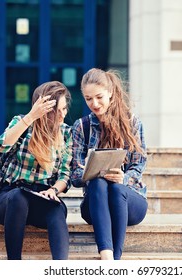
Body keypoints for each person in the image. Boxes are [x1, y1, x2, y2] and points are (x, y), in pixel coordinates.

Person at [71, 68, 148, 260]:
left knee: (117, 189)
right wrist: (90, 172)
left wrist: (124, 177)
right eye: (89, 99)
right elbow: (74, 174)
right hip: (95, 203)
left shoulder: (132, 123)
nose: (94, 104)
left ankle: (115, 259)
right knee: (98, 183)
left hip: (130, 201)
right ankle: (107, 257)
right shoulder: (82, 127)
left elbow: (139, 164)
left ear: (110, 92)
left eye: (99, 97)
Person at [0, 81, 72, 260]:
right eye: (56, 111)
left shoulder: (66, 133)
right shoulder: (22, 123)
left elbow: (65, 174)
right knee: (19, 197)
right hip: (9, 197)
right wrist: (31, 117)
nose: (62, 116)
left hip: (41, 196)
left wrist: (54, 190)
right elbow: (2, 145)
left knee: (57, 209)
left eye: (64, 109)